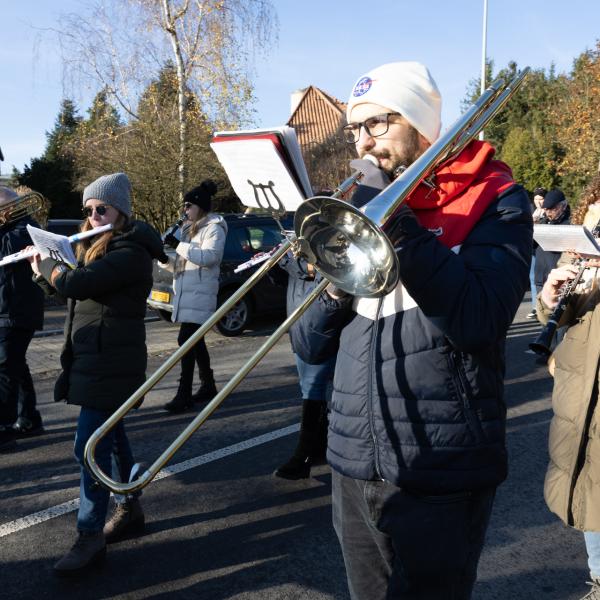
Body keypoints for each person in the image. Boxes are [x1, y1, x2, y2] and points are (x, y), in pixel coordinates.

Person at [294, 61, 533, 599]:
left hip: (443, 465)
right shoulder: (352, 209)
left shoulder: (495, 197)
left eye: (377, 123)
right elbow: (308, 345)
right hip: (353, 462)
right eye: (355, 128)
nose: (363, 142)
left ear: (421, 124)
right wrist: (334, 283)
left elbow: (479, 320)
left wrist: (395, 221)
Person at [29, 172, 166, 575]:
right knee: (114, 439)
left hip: (112, 361)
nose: (92, 216)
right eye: (88, 210)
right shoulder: (98, 245)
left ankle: (89, 536)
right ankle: (130, 508)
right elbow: (74, 290)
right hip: (96, 357)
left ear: (120, 210)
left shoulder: (131, 251)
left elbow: (78, 284)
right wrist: (46, 273)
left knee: (88, 448)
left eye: (101, 209)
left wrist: (51, 270)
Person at [537, 174, 600, 600]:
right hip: (580, 407)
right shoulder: (587, 275)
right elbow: (560, 321)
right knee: (592, 507)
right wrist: (549, 298)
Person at [162, 180, 227, 413]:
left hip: (201, 294)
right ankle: (208, 385)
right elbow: (181, 265)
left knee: (186, 341)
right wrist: (164, 259)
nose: (185, 210)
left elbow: (209, 257)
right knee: (194, 342)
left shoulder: (214, 228)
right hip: (187, 293)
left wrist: (179, 245)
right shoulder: (190, 230)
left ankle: (184, 393)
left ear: (200, 206)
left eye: (188, 205)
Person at [273, 253, 335, 480]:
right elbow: (290, 279)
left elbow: (324, 268)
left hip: (319, 319)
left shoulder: (325, 233)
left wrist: (291, 262)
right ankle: (318, 446)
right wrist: (276, 264)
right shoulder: (301, 237)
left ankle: (303, 456)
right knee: (310, 387)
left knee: (313, 387)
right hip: (299, 318)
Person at [0, 187, 45, 451]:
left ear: (9, 209)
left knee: (5, 367)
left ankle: (4, 427)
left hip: (17, 312)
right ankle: (29, 418)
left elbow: (4, 249)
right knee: (15, 365)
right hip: (8, 310)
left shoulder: (25, 228)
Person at [534, 188, 570, 299]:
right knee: (542, 312)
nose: (548, 213)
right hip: (541, 275)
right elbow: (533, 246)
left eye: (551, 209)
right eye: (546, 209)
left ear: (562, 206)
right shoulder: (542, 221)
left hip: (557, 278)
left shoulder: (570, 223)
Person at [527, 186, 548, 319]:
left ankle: (545, 305)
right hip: (531, 247)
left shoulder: (548, 210)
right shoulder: (531, 210)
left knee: (544, 277)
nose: (538, 202)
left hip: (543, 247)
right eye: (536, 199)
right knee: (533, 277)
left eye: (541, 198)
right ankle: (535, 307)